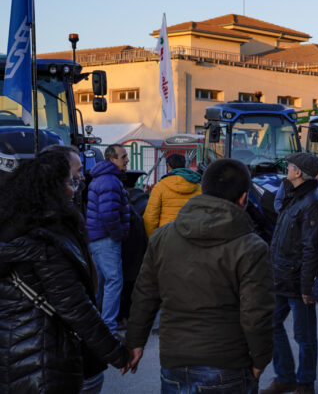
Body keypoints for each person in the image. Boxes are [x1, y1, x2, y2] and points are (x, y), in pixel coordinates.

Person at [124, 158, 275, 393]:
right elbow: (256, 312)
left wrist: (135, 341)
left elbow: (145, 295)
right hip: (228, 364)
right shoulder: (251, 247)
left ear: (204, 189)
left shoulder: (163, 237)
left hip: (175, 361)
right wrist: (260, 358)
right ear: (244, 198)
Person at [0, 151, 129, 393]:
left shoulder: (14, 228)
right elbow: (76, 307)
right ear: (52, 188)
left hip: (14, 357)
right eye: (72, 181)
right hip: (43, 362)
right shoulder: (45, 242)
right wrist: (117, 353)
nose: (77, 187)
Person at [262, 153, 318, 394]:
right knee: (270, 324)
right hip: (281, 276)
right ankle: (285, 376)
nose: (287, 170)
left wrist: (307, 286)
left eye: (290, 167)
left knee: (304, 335)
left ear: (298, 172)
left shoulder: (312, 202)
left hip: (297, 280)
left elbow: (311, 249)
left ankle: (305, 382)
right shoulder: (294, 196)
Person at [86, 144, 131, 334]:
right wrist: (119, 234)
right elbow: (108, 214)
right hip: (106, 239)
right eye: (123, 157)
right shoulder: (110, 181)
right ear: (112, 160)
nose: (127, 160)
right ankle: (108, 330)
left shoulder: (102, 179)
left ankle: (93, 327)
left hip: (98, 238)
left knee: (101, 285)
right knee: (114, 281)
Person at [142, 153, 201, 237]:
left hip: (167, 236)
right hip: (192, 236)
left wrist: (154, 238)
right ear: (184, 165)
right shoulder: (198, 187)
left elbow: (150, 217)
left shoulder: (160, 186)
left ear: (168, 166)